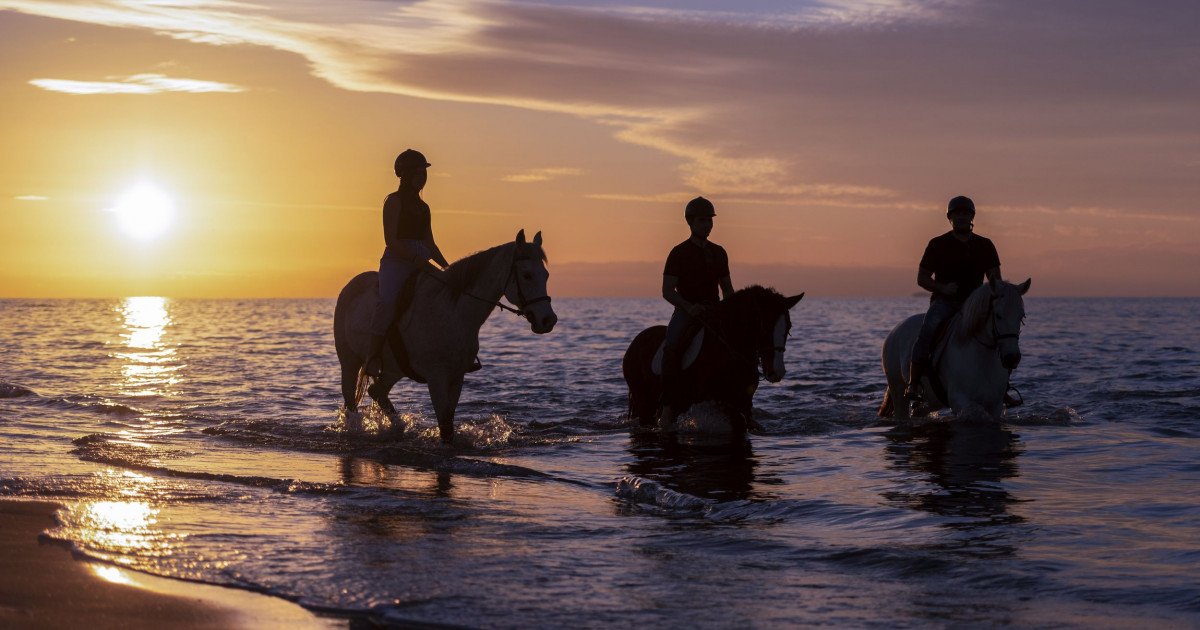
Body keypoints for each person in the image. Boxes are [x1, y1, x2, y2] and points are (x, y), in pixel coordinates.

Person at [905, 195, 1002, 400]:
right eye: (957, 214)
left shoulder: (985, 245)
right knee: (927, 331)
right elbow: (922, 278)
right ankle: (913, 384)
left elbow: (995, 279)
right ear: (950, 217)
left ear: (972, 217)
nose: (961, 217)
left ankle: (1002, 385)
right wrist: (943, 288)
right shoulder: (938, 244)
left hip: (974, 305)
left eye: (965, 213)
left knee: (1000, 334)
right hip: (945, 303)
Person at [365, 149, 451, 377]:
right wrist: (415, 260)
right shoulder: (393, 201)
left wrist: (447, 268)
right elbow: (391, 241)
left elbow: (430, 243)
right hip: (397, 261)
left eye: (424, 172)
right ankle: (372, 357)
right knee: (387, 302)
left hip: (421, 258)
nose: (422, 177)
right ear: (405, 174)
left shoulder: (424, 208)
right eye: (418, 172)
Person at [659, 196, 735, 431]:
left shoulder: (719, 253)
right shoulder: (679, 253)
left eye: (710, 221)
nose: (708, 225)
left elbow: (727, 289)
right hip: (687, 311)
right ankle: (668, 408)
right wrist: (689, 307)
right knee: (672, 345)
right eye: (703, 221)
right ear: (690, 222)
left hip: (714, 311)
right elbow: (667, 291)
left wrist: (732, 311)